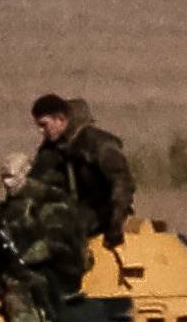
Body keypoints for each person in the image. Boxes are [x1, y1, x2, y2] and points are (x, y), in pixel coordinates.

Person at [0, 150, 89, 322]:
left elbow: (56, 241)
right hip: (21, 267)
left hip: (56, 270)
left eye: (12, 177)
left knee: (20, 290)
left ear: (26, 173)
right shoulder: (10, 204)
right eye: (3, 177)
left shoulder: (49, 200)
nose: (7, 183)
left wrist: (25, 259)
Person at [29, 94, 134, 250]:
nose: (41, 131)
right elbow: (36, 181)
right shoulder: (52, 149)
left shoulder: (99, 145)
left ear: (60, 120)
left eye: (44, 125)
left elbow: (122, 184)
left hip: (101, 210)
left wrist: (115, 226)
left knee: (61, 229)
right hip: (67, 208)